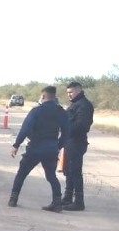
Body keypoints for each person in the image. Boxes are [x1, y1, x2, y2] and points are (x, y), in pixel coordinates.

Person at [7, 86, 70, 211]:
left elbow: (25, 129)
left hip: (35, 147)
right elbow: (67, 132)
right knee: (51, 176)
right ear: (54, 96)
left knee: (22, 173)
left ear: (43, 96)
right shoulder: (61, 112)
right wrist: (58, 146)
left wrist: (16, 145)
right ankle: (57, 202)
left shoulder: (36, 111)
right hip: (51, 149)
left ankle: (13, 198)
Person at [62, 81, 94, 211]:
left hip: (77, 142)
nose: (69, 95)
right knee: (68, 170)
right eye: (68, 93)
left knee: (75, 171)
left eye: (71, 92)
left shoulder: (84, 105)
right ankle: (68, 197)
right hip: (70, 141)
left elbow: (82, 126)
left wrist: (66, 129)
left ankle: (79, 202)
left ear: (78, 90)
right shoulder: (75, 104)